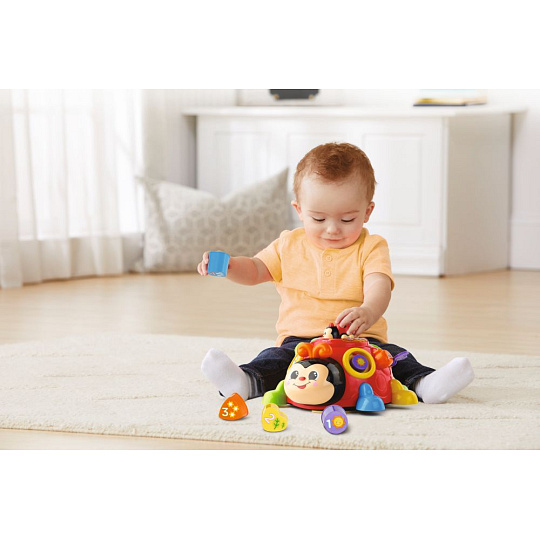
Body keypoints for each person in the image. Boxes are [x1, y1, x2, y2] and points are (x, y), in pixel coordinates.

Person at [198, 142, 474, 404]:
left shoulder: (371, 246)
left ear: (367, 212)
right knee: (275, 360)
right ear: (299, 210)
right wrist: (231, 266)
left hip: (361, 341)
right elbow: (256, 270)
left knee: (394, 359)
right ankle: (246, 382)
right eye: (318, 218)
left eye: (347, 219)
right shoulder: (288, 244)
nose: (332, 228)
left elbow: (378, 284)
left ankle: (425, 384)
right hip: (300, 342)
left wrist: (368, 311)